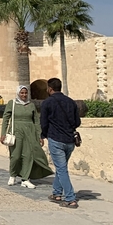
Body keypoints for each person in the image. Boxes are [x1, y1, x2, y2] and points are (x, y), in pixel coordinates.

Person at [40, 76, 81, 208]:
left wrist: (43, 135)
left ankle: (70, 198)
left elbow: (44, 123)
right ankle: (57, 193)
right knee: (61, 167)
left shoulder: (47, 103)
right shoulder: (71, 102)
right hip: (70, 141)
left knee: (62, 169)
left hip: (56, 139)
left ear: (50, 88)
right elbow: (77, 122)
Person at [0, 85, 52, 188]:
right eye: (22, 93)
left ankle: (25, 178)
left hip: (30, 132)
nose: (24, 95)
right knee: (15, 155)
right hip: (16, 132)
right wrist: (3, 133)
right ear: (18, 93)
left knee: (28, 156)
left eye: (25, 93)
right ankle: (13, 174)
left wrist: (39, 135)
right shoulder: (12, 103)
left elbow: (36, 121)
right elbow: (6, 119)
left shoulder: (31, 105)